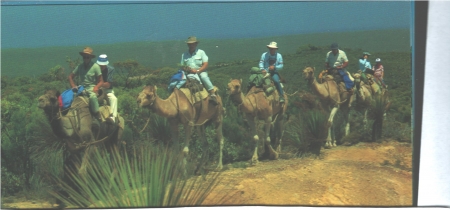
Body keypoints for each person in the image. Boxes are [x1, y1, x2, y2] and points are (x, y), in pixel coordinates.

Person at [68, 46, 103, 121]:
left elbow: (101, 81)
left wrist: (96, 87)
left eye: (87, 57)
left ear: (90, 58)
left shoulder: (95, 67)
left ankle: (97, 115)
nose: (86, 59)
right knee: (69, 98)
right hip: (81, 89)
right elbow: (70, 77)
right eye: (84, 57)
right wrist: (73, 86)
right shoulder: (79, 67)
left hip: (91, 89)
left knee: (93, 97)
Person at [181, 36, 217, 104]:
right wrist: (186, 69)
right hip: (188, 73)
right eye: (189, 44)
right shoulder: (184, 55)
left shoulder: (201, 52)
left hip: (200, 72)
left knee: (204, 77)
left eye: (193, 44)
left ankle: (212, 93)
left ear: (196, 44)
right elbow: (182, 65)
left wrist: (198, 71)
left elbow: (205, 64)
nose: (191, 45)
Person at [97, 54, 118, 124]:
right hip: (96, 89)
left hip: (107, 90)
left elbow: (108, 84)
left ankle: (113, 117)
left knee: (114, 99)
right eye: (100, 65)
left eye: (103, 65)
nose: (102, 66)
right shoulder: (95, 68)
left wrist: (100, 84)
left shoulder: (110, 69)